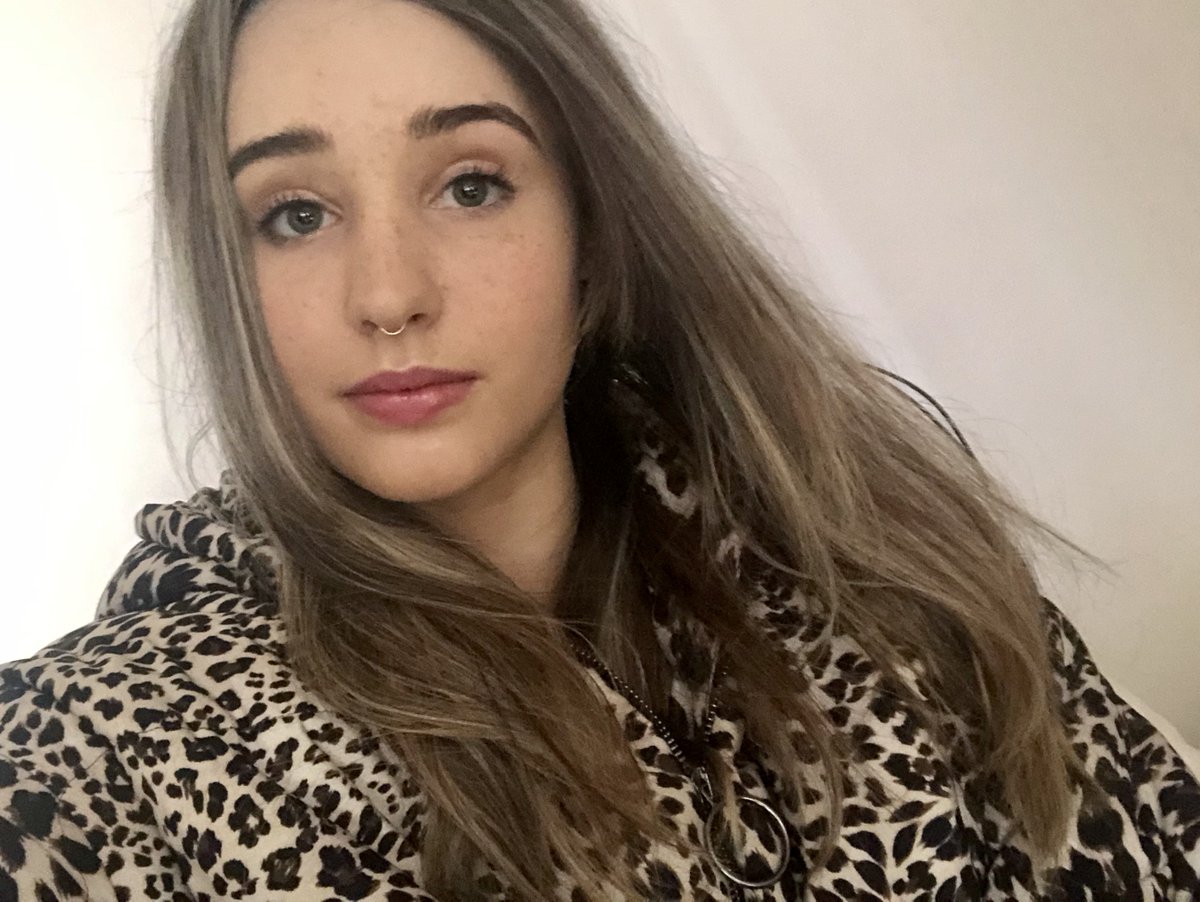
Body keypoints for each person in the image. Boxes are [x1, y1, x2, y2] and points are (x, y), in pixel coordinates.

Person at [1, 0, 1196, 898]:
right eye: (296, 213)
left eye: (471, 185)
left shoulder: (890, 575)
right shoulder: (100, 750)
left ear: (593, 224)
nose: (389, 293)